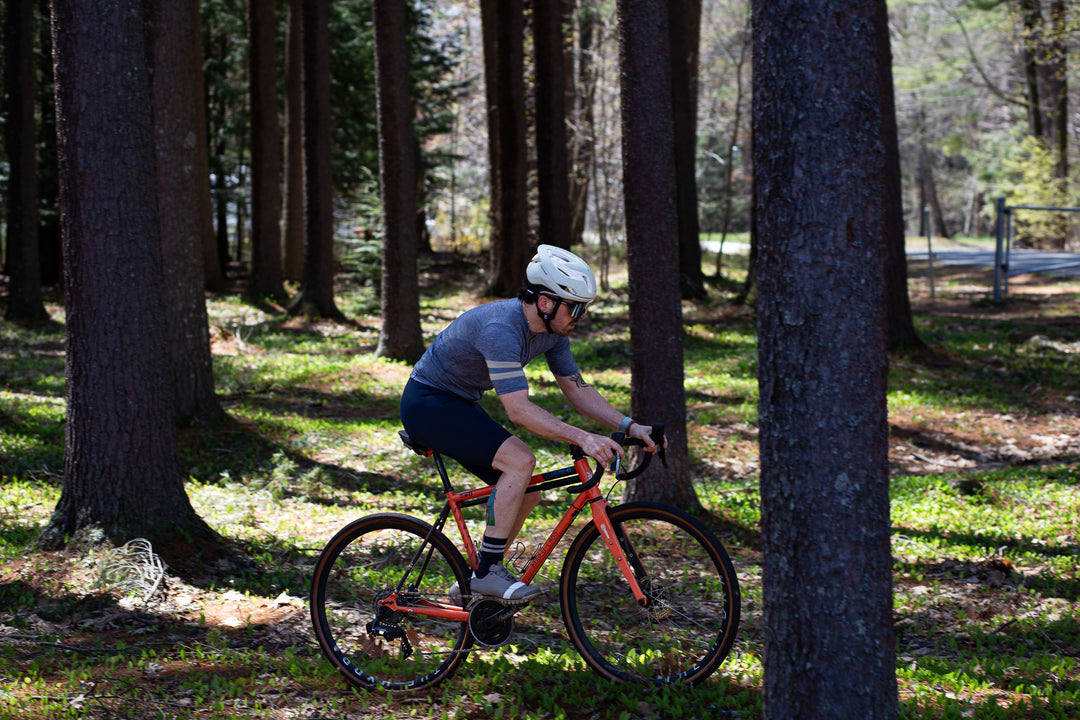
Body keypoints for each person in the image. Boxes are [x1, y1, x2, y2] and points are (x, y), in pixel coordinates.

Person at [400, 244, 664, 604]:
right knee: (520, 461)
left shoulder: (553, 333)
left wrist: (630, 426)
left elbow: (578, 390)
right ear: (545, 303)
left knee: (527, 488)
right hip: (427, 403)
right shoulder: (500, 329)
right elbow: (519, 410)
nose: (579, 317)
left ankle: (472, 583)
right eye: (575, 308)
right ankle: (489, 573)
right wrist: (583, 437)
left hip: (459, 402)